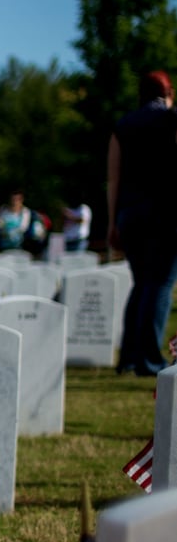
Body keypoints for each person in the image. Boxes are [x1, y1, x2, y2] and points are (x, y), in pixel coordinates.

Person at [108, 70, 177, 376]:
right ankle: (149, 360)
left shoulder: (122, 126)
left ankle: (128, 357)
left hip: (130, 214)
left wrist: (112, 222)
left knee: (141, 283)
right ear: (168, 92)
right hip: (166, 211)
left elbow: (114, 178)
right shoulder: (172, 119)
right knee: (160, 283)